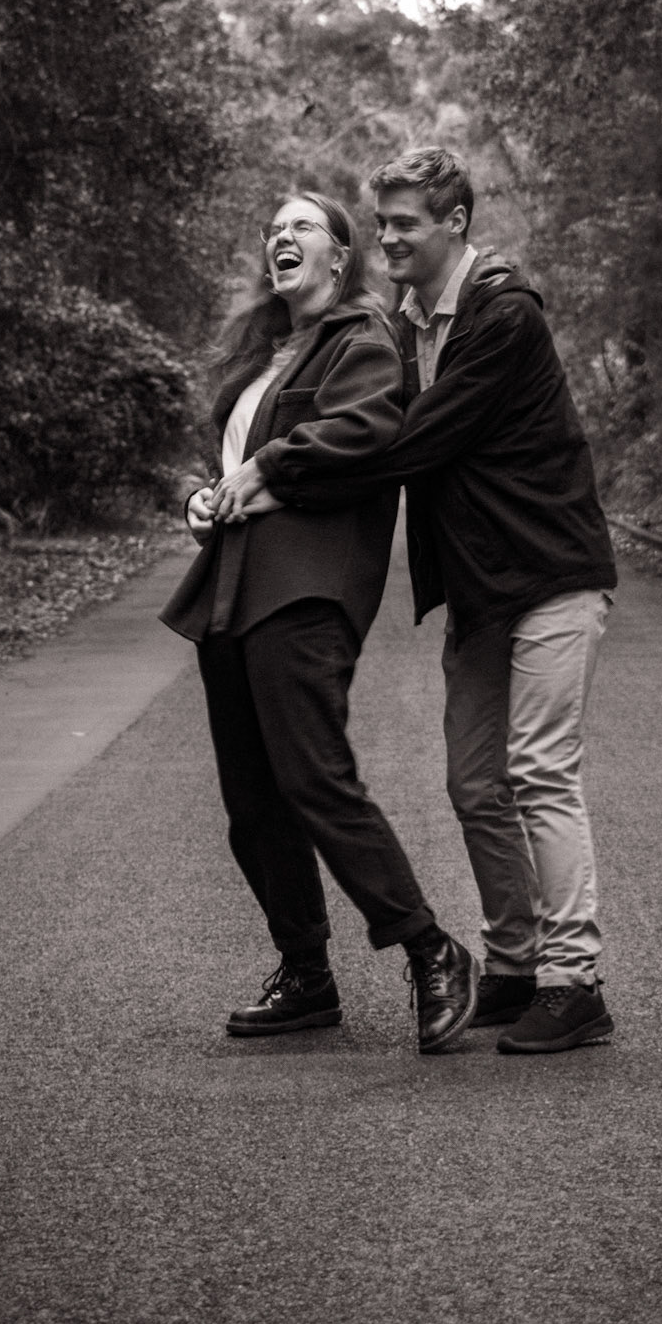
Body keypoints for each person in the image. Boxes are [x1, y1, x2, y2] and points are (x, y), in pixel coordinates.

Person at [214, 150, 619, 1055]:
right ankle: (513, 965)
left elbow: (414, 441)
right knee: (474, 783)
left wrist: (276, 476)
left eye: (405, 223)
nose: (388, 238)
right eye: (382, 222)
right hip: (478, 587)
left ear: (456, 223)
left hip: (550, 572)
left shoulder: (503, 314)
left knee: (538, 771)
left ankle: (574, 982)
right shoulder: (402, 326)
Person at [161, 191, 478, 1056]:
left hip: (304, 588)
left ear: (340, 256)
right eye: (273, 229)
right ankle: (305, 974)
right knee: (251, 802)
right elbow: (221, 464)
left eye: (301, 225)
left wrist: (270, 464)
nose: (281, 236)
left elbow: (369, 428)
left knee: (313, 778)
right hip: (229, 590)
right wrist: (201, 496)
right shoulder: (263, 356)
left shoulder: (361, 337)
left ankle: (431, 949)